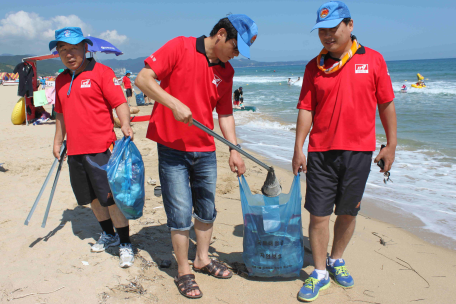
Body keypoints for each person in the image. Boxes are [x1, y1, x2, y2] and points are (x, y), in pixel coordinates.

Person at [135, 14, 257, 299]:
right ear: (221, 34)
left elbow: (225, 114)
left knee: (206, 208)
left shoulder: (226, 72)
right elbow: (143, 78)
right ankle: (183, 270)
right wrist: (173, 102)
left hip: (205, 148)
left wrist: (234, 150)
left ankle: (201, 258)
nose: (236, 56)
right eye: (236, 48)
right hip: (172, 147)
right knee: (179, 212)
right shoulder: (180, 47)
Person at [292, 2, 397, 302]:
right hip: (321, 152)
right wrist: (298, 148)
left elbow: (387, 103)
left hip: (359, 153)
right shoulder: (314, 66)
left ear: (350, 26)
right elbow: (306, 108)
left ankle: (336, 259)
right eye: (322, 30)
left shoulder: (373, 60)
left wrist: (391, 144)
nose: (327, 35)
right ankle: (320, 272)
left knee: (349, 212)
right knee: (318, 215)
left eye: (333, 28)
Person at [50, 27, 135, 268]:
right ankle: (108, 234)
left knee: (111, 199)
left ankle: (126, 243)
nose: (68, 54)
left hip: (101, 149)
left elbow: (119, 102)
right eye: (63, 49)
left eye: (74, 48)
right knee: (91, 199)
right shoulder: (60, 79)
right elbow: (60, 114)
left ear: (85, 48)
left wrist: (125, 126)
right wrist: (58, 141)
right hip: (75, 150)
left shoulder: (101, 72)